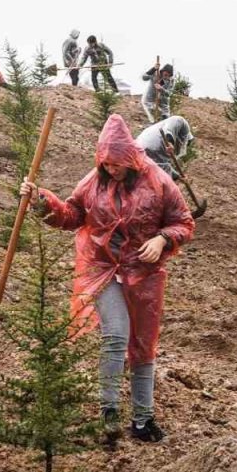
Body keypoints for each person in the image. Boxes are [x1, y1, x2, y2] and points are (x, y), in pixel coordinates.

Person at [21, 114, 195, 443]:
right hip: (102, 268)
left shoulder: (158, 181)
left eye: (117, 164)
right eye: (106, 164)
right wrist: (42, 201)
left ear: (130, 158)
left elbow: (183, 223)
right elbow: (72, 215)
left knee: (143, 346)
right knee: (115, 335)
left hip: (144, 272)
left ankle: (143, 420)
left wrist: (162, 240)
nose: (111, 170)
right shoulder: (94, 181)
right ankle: (109, 412)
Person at [135, 115, 195, 180]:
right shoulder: (183, 126)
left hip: (139, 147)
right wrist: (169, 141)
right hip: (151, 144)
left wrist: (179, 177)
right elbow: (176, 120)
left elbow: (164, 167)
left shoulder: (164, 151)